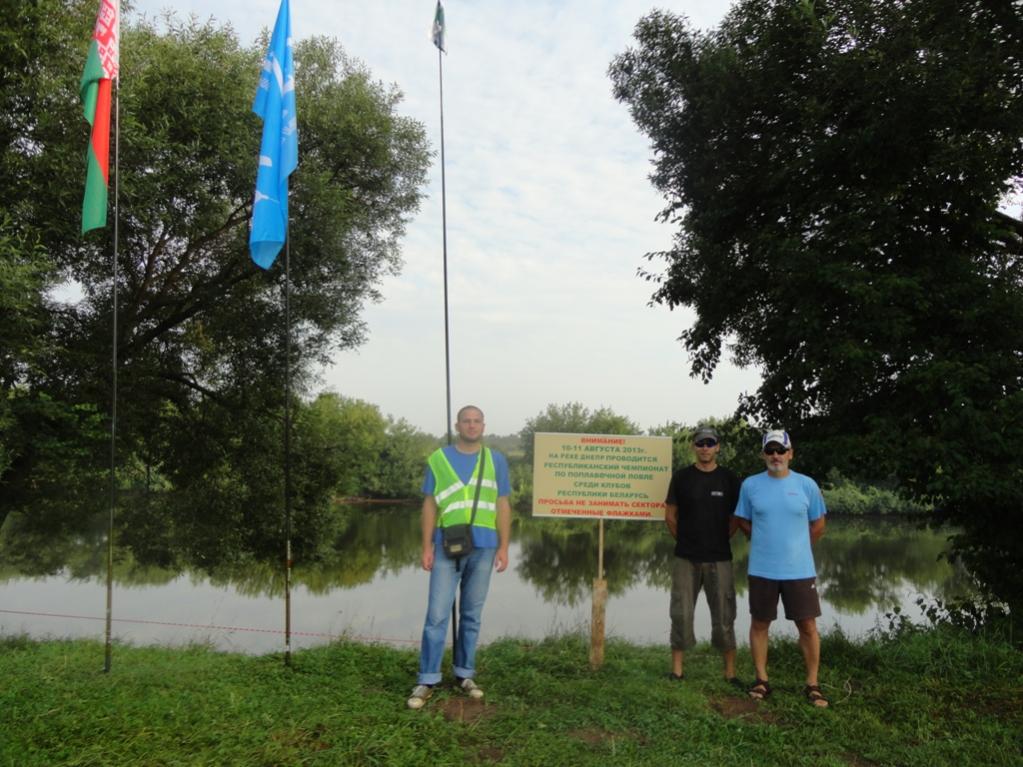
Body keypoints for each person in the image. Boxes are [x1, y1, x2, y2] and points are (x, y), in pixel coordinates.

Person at [406, 405, 512, 710]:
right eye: (466, 421)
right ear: (457, 425)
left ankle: (465, 674)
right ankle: (427, 679)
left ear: (483, 426)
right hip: (446, 546)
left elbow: (503, 504)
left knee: (471, 614)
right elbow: (429, 505)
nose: (471, 425)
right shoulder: (438, 459)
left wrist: (504, 546)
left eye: (477, 421)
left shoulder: (496, 460)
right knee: (437, 615)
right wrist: (426, 546)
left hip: (485, 546)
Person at [733, 429, 829, 708]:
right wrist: (763, 539)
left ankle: (813, 684)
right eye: (770, 451)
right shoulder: (750, 485)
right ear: (763, 454)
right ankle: (761, 680)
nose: (775, 456)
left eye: (780, 450)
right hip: (762, 568)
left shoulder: (807, 485)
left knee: (808, 626)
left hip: (799, 570)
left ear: (790, 453)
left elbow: (818, 524)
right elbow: (742, 520)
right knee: (760, 623)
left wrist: (798, 547)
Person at [663, 426, 742, 685]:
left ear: (718, 447)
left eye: (710, 443)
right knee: (681, 613)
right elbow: (670, 516)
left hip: (720, 558)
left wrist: (720, 539)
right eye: (700, 443)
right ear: (694, 447)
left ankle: (730, 673)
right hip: (686, 557)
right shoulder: (681, 477)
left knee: (725, 614)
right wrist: (686, 540)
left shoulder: (729, 479)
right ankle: (677, 671)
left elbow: (736, 518)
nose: (705, 448)